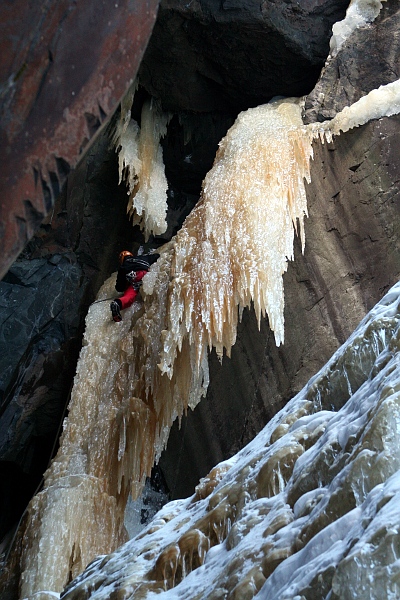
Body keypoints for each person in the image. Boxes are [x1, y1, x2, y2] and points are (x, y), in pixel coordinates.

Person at [110, 249, 160, 322]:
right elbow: (157, 256)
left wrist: (126, 284)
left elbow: (119, 287)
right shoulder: (142, 257)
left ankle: (117, 303)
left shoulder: (123, 267)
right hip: (145, 275)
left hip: (134, 279)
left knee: (129, 296)